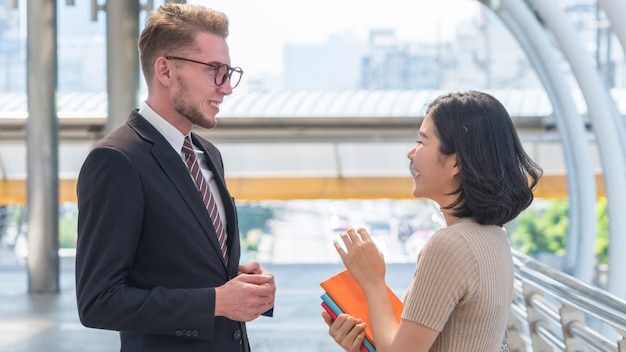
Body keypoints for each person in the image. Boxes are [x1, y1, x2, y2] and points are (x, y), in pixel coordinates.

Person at [75, 4, 275, 351]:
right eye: (215, 70)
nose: (226, 88)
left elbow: (185, 266)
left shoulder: (208, 154)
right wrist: (215, 302)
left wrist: (240, 284)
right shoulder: (117, 160)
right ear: (165, 70)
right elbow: (98, 302)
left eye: (230, 72)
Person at [322, 91, 542, 352]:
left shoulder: (450, 245)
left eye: (422, 141)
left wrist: (372, 282)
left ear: (456, 162)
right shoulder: (493, 236)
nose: (410, 153)